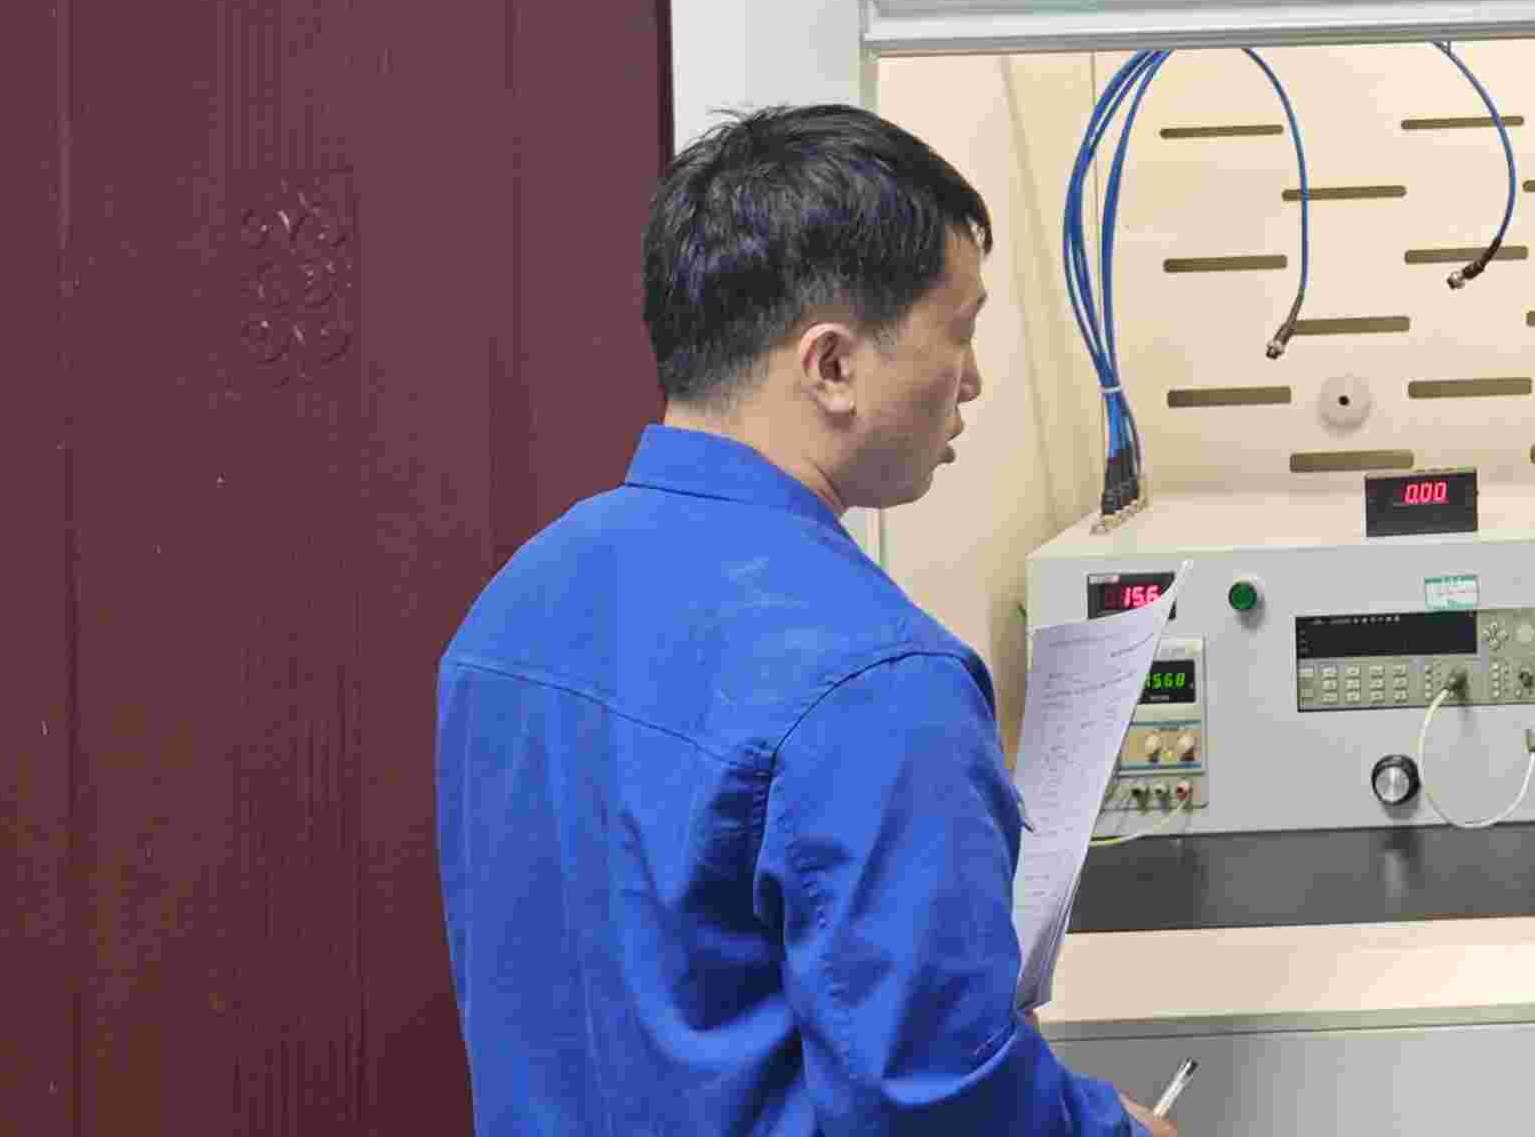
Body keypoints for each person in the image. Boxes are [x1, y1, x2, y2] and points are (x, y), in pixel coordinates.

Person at [436, 105, 1171, 1135]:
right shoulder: (877, 683)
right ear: (830, 365)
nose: (971, 380)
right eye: (958, 332)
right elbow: (939, 1105)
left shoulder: (513, 608)